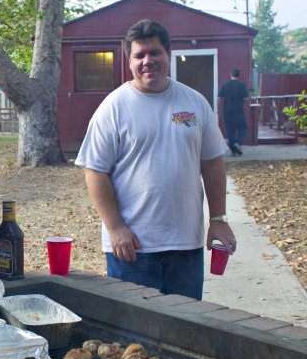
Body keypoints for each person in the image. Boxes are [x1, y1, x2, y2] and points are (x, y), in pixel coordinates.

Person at [75, 19, 237, 301]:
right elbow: (95, 171)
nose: (148, 61)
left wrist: (219, 218)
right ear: (129, 62)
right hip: (132, 248)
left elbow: (212, 163)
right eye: (139, 55)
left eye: (155, 52)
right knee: (134, 337)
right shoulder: (113, 108)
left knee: (185, 330)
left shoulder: (194, 103)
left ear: (168, 54)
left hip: (186, 244)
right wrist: (115, 228)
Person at [218, 68, 250, 156]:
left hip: (227, 111)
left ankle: (233, 150)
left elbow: (218, 98)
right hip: (238, 110)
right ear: (238, 75)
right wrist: (242, 101)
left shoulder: (225, 84)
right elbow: (246, 98)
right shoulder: (242, 85)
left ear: (231, 74)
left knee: (230, 131)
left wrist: (218, 108)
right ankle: (238, 143)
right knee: (243, 127)